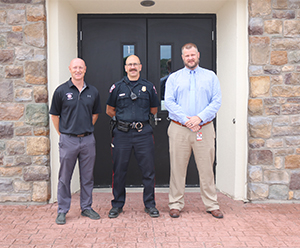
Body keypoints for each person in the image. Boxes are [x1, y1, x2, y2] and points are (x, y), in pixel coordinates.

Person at [164, 43, 223, 219]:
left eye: (192, 55)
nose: (190, 58)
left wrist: (199, 118)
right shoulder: (174, 78)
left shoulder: (210, 76)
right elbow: (169, 101)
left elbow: (216, 101)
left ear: (198, 55)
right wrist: (187, 120)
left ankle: (212, 204)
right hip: (179, 128)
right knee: (177, 168)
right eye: (186, 55)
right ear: (182, 58)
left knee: (206, 168)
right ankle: (175, 204)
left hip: (203, 128)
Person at [106, 55, 160, 218]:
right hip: (122, 134)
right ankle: (117, 204)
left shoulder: (149, 87)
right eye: (129, 64)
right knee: (119, 171)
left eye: (135, 64)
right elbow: (110, 109)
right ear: (125, 67)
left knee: (148, 171)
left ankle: (150, 204)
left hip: (143, 134)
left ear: (140, 67)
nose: (132, 67)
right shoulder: (117, 87)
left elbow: (154, 109)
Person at [50, 58, 101, 225]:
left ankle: (86, 207)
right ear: (70, 69)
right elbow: (55, 115)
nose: (78, 70)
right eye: (75, 68)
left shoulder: (92, 91)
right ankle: (62, 210)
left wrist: (85, 128)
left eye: (81, 67)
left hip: (87, 140)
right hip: (68, 140)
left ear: (85, 69)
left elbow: (95, 114)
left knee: (87, 177)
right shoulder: (61, 91)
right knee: (65, 177)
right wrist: (62, 133)